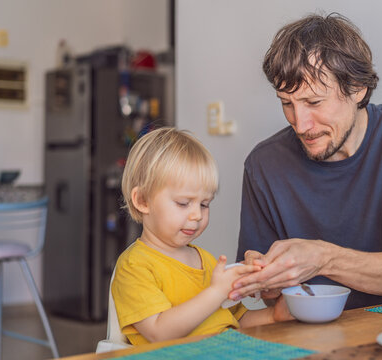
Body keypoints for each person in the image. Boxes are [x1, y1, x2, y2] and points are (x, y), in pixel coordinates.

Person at [231, 13, 382, 310]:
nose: (301, 124)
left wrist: (323, 258)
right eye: (287, 103)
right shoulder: (263, 164)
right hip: (306, 332)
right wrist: (267, 280)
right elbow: (270, 296)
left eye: (314, 102)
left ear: (357, 88)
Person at [112, 127, 292, 345]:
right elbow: (159, 333)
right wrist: (217, 292)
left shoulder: (206, 261)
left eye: (205, 204)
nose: (197, 215)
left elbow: (236, 320)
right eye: (183, 203)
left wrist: (275, 316)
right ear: (142, 201)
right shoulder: (134, 267)